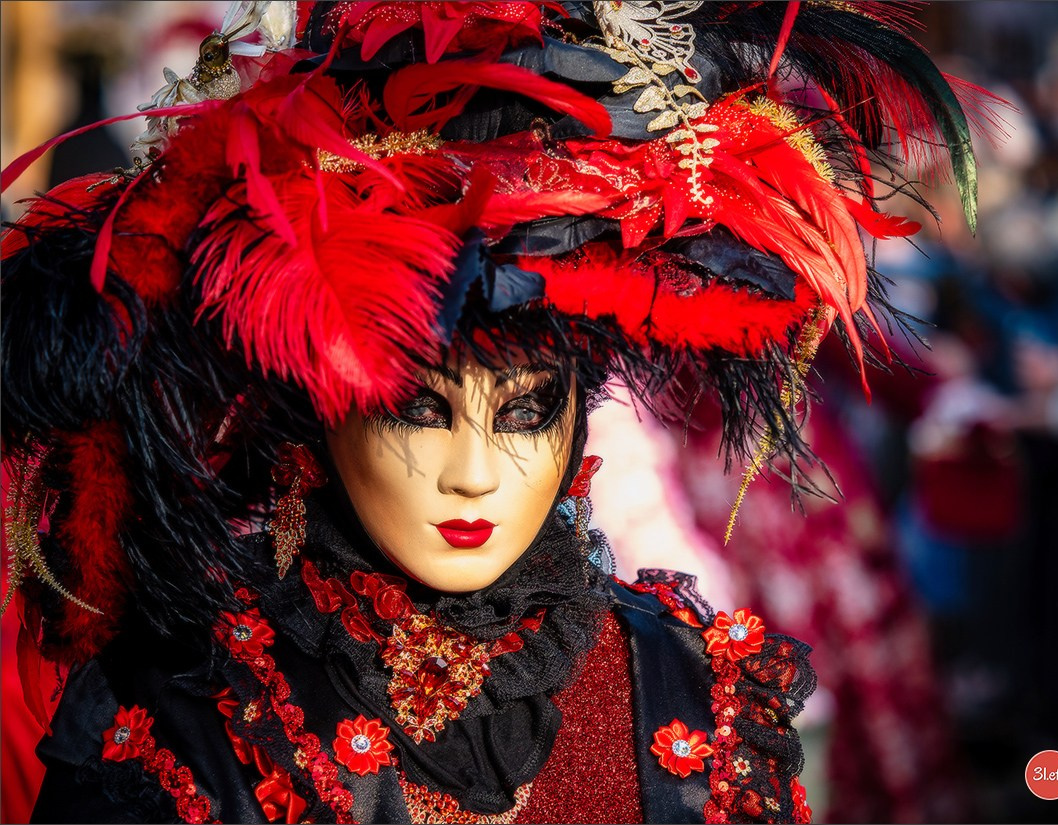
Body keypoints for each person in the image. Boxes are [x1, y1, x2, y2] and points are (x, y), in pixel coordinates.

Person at [1, 2, 992, 822]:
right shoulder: (186, 718)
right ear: (325, 400)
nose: (472, 473)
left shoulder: (691, 695)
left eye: (523, 413)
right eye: (415, 411)